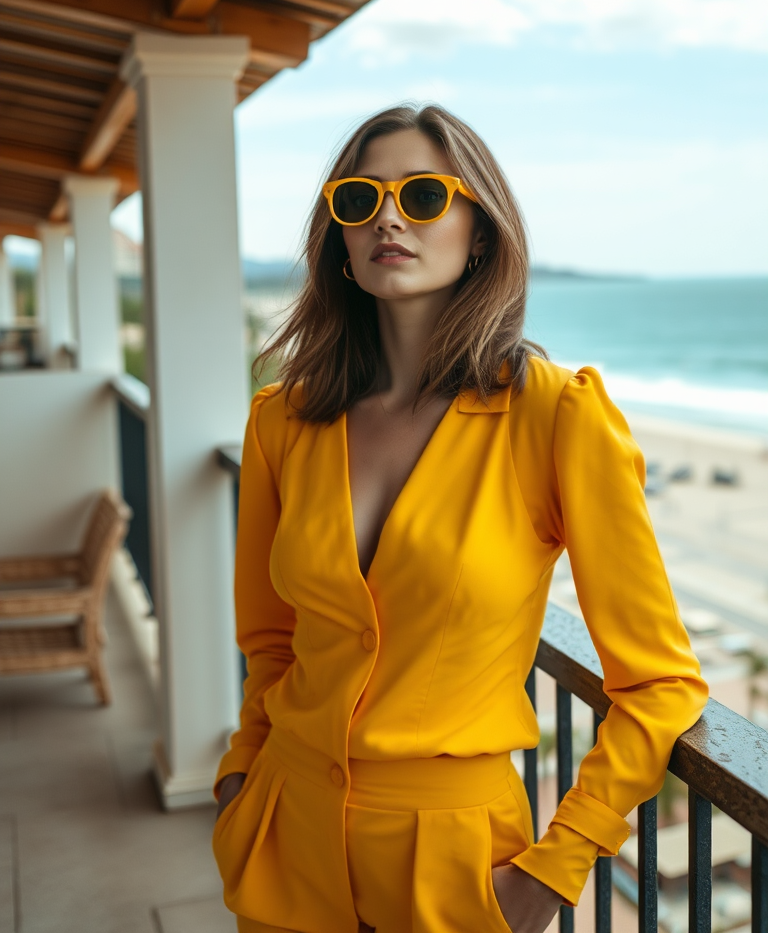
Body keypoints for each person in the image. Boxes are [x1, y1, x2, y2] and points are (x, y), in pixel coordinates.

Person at [212, 104, 708, 933]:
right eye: (359, 198)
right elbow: (272, 640)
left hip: (455, 872)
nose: (389, 218)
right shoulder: (283, 420)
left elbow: (661, 684)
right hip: (283, 840)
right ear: (338, 234)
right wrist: (239, 781)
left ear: (480, 230)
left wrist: (556, 867)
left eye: (425, 195)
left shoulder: (555, 417)